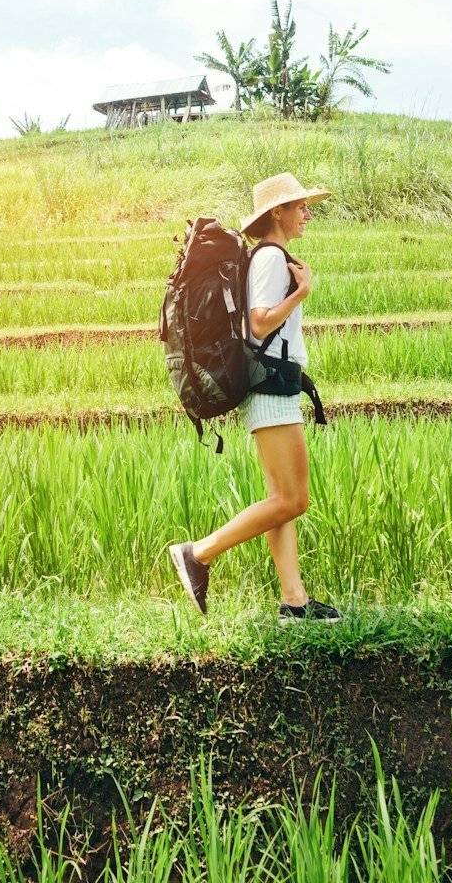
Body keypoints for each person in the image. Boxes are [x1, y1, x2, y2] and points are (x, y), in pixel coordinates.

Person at [168, 173, 343, 624]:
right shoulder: (269, 258)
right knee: (294, 500)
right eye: (299, 205)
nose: (307, 212)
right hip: (271, 388)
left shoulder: (272, 256)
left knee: (279, 499)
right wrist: (302, 293)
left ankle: (295, 602)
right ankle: (197, 553)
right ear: (277, 213)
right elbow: (260, 323)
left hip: (275, 386)